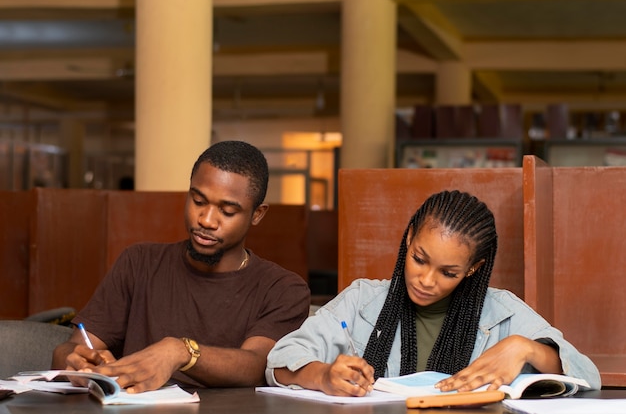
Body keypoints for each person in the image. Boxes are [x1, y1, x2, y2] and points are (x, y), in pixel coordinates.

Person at [266, 190, 601, 396]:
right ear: (409, 237)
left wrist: (525, 348)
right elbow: (280, 361)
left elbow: (589, 376)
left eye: (448, 273)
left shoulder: (503, 313)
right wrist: (323, 376)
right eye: (419, 259)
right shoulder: (361, 301)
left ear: (473, 268)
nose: (426, 280)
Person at [53, 140, 311, 393]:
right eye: (198, 201)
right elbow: (70, 349)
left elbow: (257, 365)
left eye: (227, 211)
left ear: (257, 214)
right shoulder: (139, 263)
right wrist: (77, 361)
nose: (206, 220)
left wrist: (181, 352)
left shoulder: (283, 289)